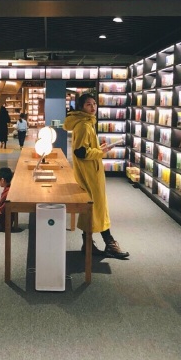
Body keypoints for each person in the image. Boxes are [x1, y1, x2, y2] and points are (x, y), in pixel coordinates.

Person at [63, 93, 129, 259]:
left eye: (94, 103)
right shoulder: (84, 125)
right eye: (88, 104)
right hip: (90, 174)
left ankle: (89, 244)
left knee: (92, 207)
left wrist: (99, 148)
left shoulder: (86, 123)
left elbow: (84, 148)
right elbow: (81, 152)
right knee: (97, 207)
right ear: (81, 107)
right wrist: (101, 151)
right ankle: (109, 243)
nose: (93, 107)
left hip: (91, 171)